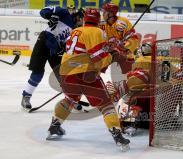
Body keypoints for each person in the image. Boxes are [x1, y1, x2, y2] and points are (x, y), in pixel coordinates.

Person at [46, 8, 130, 151]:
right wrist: (113, 56)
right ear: (97, 20)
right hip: (85, 73)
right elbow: (98, 58)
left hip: (66, 72)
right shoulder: (97, 32)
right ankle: (117, 136)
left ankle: (54, 127)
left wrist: (107, 51)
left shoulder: (75, 30)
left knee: (70, 100)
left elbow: (85, 51)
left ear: (85, 19)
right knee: (106, 104)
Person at [107, 42, 183, 136]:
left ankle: (130, 124)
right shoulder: (164, 60)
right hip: (162, 105)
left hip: (148, 98)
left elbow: (136, 80)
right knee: (176, 92)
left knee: (132, 97)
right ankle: (167, 118)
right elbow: (179, 75)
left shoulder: (140, 60)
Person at [21, 6, 84, 111]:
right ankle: (26, 96)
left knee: (63, 75)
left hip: (54, 49)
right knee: (37, 74)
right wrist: (51, 17)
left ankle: (71, 99)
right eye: (82, 19)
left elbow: (67, 45)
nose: (83, 22)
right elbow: (43, 11)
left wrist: (62, 49)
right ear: (78, 16)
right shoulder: (64, 13)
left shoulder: (75, 30)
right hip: (43, 43)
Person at [100, 2, 141, 74]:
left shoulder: (123, 22)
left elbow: (133, 38)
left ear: (111, 14)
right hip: (106, 56)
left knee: (128, 76)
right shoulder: (100, 23)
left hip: (124, 57)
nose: (103, 14)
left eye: (104, 12)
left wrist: (124, 47)